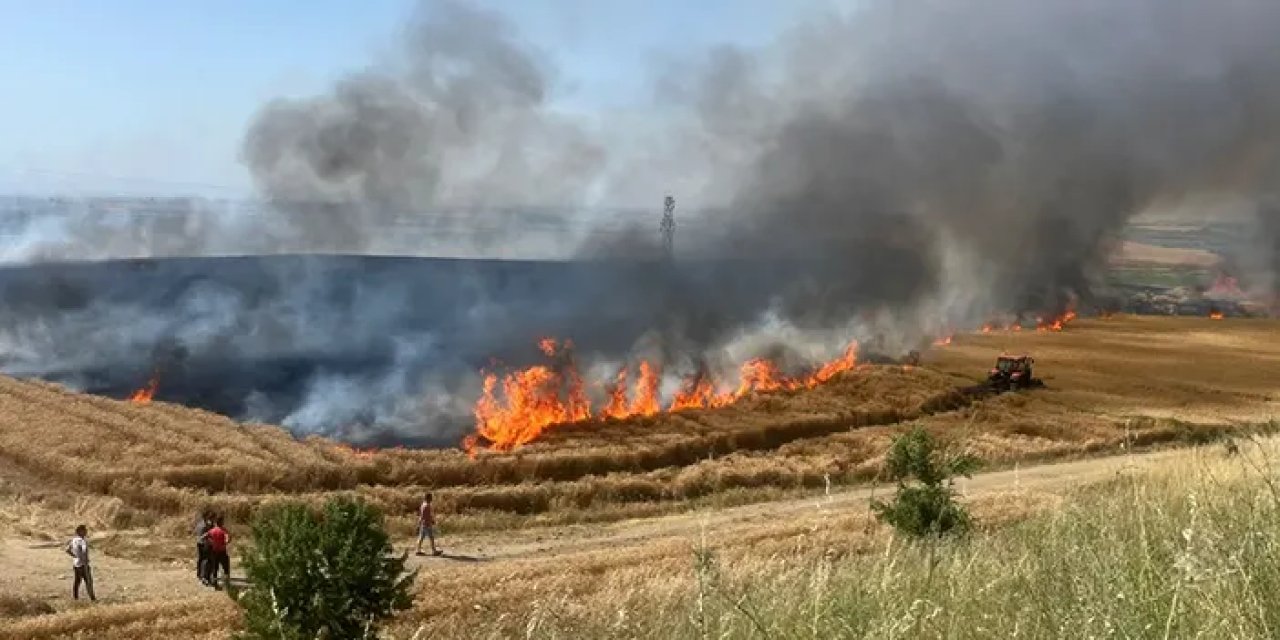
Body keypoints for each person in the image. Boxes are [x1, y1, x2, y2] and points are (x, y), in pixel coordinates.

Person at [64, 524, 96, 602]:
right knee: (88, 581)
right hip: (83, 565)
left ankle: (75, 598)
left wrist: (75, 556)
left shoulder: (74, 540)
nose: (86, 532)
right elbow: (84, 550)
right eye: (84, 530)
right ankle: (93, 598)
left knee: (77, 581)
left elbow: (67, 550)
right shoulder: (82, 541)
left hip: (76, 564)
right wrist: (84, 560)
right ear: (80, 531)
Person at [201, 515, 231, 589]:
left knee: (215, 568)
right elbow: (228, 538)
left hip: (214, 551)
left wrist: (211, 542)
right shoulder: (223, 530)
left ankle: (215, 583)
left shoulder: (212, 530)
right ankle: (227, 583)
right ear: (221, 522)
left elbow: (203, 537)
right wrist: (225, 543)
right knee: (226, 567)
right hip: (222, 551)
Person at [194, 510, 214, 585]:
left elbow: (197, 533)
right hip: (204, 544)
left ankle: (200, 574)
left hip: (200, 543)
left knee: (201, 559)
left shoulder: (199, 524)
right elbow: (204, 536)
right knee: (206, 560)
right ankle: (204, 576)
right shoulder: (205, 525)